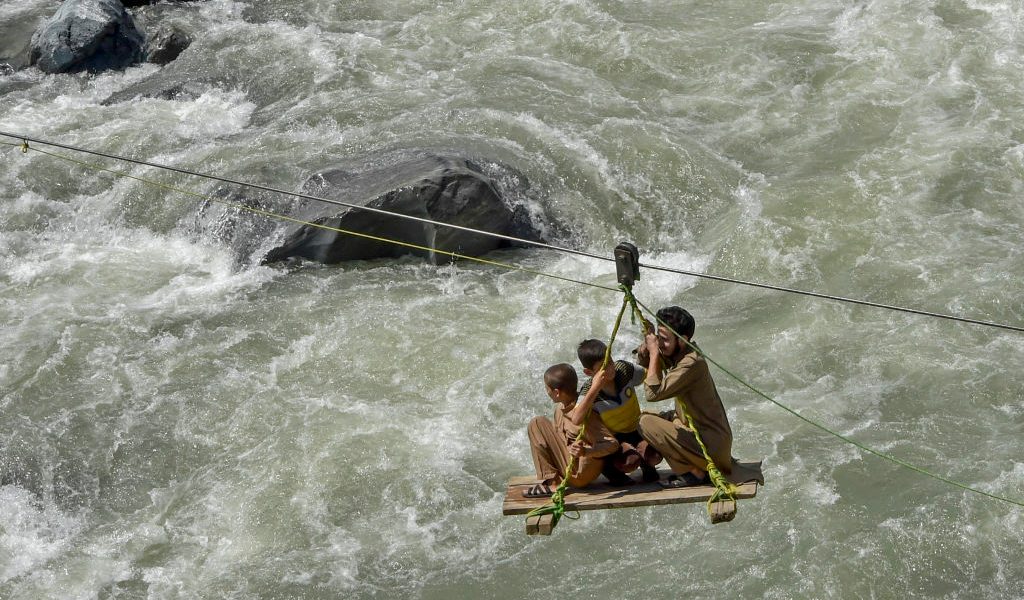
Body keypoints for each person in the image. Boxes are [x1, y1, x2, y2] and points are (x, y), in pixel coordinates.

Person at [637, 306, 739, 488]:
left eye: (665, 339)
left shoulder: (691, 363)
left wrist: (653, 352)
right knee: (655, 416)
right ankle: (691, 467)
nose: (660, 344)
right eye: (659, 338)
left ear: (682, 340)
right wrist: (648, 345)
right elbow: (649, 363)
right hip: (705, 437)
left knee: (645, 423)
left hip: (712, 448)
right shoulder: (680, 352)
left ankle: (694, 473)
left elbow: (652, 393)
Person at [571, 339, 662, 486]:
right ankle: (611, 471)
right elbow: (576, 419)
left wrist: (653, 352)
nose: (610, 368)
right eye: (603, 367)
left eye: (610, 361)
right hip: (615, 438)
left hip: (637, 428)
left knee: (655, 455)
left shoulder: (624, 370)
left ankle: (647, 466)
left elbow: (648, 374)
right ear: (589, 372)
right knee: (630, 461)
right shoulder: (589, 390)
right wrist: (595, 388)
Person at [525, 363, 620, 498]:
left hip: (579, 473)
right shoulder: (561, 408)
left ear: (557, 392)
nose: (547, 392)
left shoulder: (584, 414)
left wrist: (587, 451)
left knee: (536, 424)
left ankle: (552, 484)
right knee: (541, 423)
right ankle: (552, 477)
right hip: (571, 464)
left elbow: (612, 444)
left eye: (547, 388)